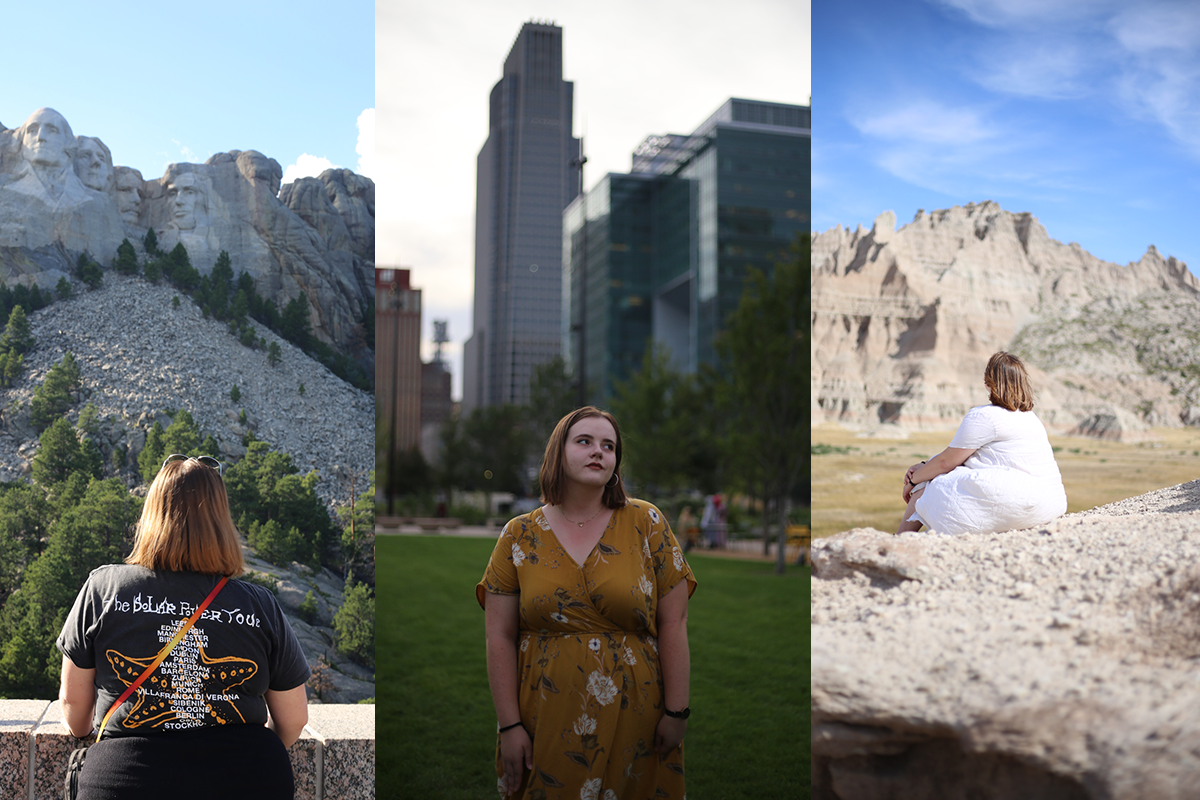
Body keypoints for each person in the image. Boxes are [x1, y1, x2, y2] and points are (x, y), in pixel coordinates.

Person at [57, 454, 311, 800]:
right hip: (250, 777)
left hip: (126, 780)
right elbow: (294, 720)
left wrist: (91, 729)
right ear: (221, 521)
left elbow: (74, 709)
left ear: (152, 515)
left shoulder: (105, 588)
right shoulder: (259, 604)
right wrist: (243, 753)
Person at [477, 406, 696, 799]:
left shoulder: (647, 523)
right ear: (558, 453)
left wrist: (677, 712)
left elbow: (674, 623)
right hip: (544, 713)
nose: (598, 451)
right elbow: (499, 635)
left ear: (615, 463)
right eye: (585, 441)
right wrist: (509, 726)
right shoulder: (519, 536)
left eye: (608, 446)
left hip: (637, 715)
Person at [897, 351, 1068, 536]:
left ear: (988, 384)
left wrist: (914, 480)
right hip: (1052, 505)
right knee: (934, 470)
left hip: (1023, 503)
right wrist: (924, 466)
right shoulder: (1031, 418)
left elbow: (945, 462)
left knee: (930, 481)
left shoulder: (983, 416)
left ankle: (900, 538)